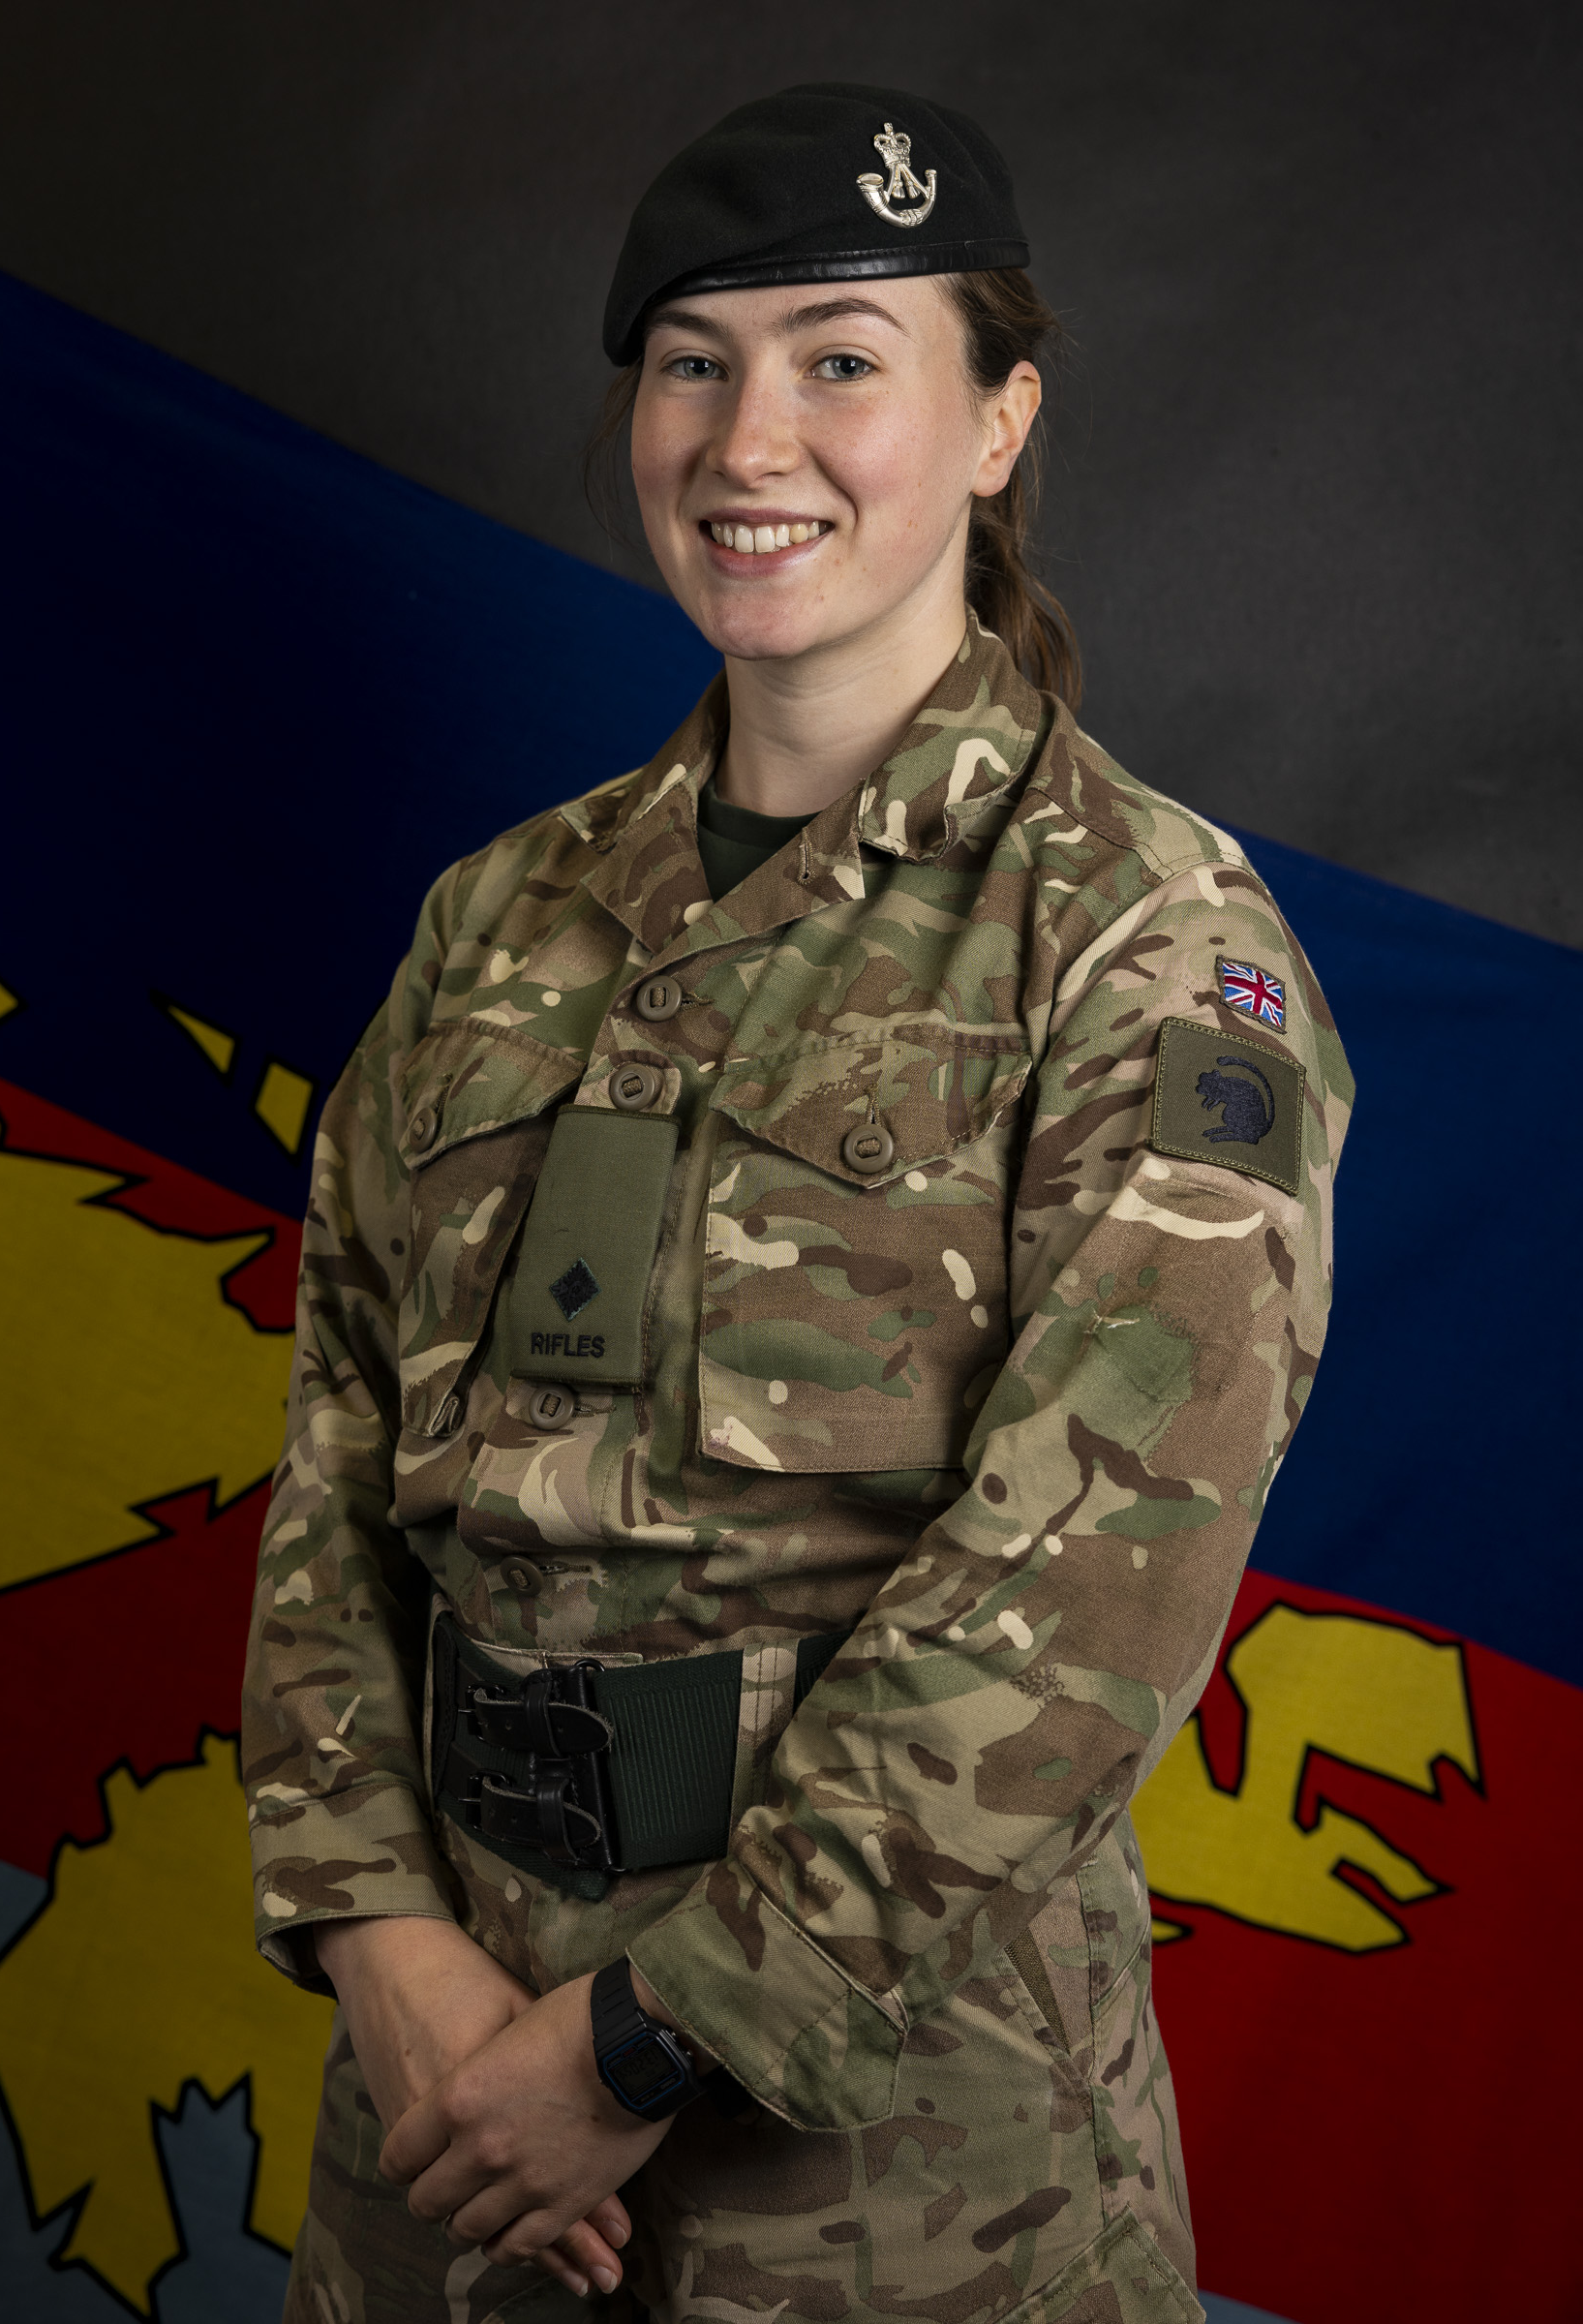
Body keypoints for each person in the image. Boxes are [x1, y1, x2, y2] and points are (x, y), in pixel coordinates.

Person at [243, 81, 1353, 2324]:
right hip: (445, 2136)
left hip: (899, 2177)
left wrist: (650, 2041)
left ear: (999, 418)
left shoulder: (1140, 944)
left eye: (844, 356)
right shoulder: (501, 919)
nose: (754, 440)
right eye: (693, 361)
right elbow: (336, 1452)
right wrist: (383, 1949)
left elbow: (1090, 1600)